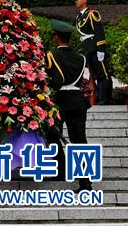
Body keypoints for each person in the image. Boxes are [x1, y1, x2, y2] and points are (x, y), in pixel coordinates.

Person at [46, 19, 92, 191]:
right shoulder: (81, 58)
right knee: (79, 141)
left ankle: (61, 169)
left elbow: (53, 80)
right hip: (78, 101)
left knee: (52, 136)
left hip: (59, 101)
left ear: (56, 37)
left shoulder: (51, 56)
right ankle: (85, 182)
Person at [74, 0, 111, 105]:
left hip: (95, 48)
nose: (76, 1)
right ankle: (100, 98)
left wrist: (101, 49)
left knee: (102, 74)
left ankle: (105, 99)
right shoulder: (79, 17)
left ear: (85, 0)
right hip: (88, 49)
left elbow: (99, 32)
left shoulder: (92, 14)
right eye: (75, 0)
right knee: (94, 75)